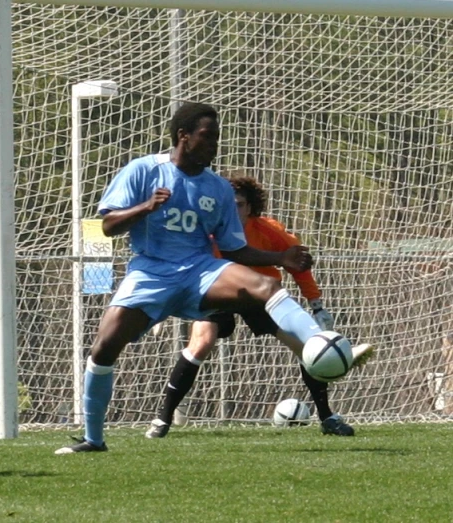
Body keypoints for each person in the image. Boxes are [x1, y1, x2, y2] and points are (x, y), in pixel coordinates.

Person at [55, 102, 372, 455]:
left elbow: (234, 249)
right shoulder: (143, 170)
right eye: (207, 137)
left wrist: (279, 258)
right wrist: (146, 207)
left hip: (201, 272)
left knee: (266, 286)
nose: (214, 145)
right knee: (104, 348)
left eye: (218, 138)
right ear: (183, 136)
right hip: (150, 272)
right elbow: (109, 225)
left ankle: (320, 343)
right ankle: (93, 439)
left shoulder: (218, 188)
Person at [145, 175, 372, 439]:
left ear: (250, 207)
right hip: (218, 294)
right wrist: (162, 305)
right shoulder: (206, 231)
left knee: (307, 349)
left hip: (261, 296)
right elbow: (179, 265)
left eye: (239, 204)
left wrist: (317, 305)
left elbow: (298, 264)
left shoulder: (268, 231)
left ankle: (327, 416)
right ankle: (162, 419)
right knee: (201, 343)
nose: (233, 209)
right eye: (227, 204)